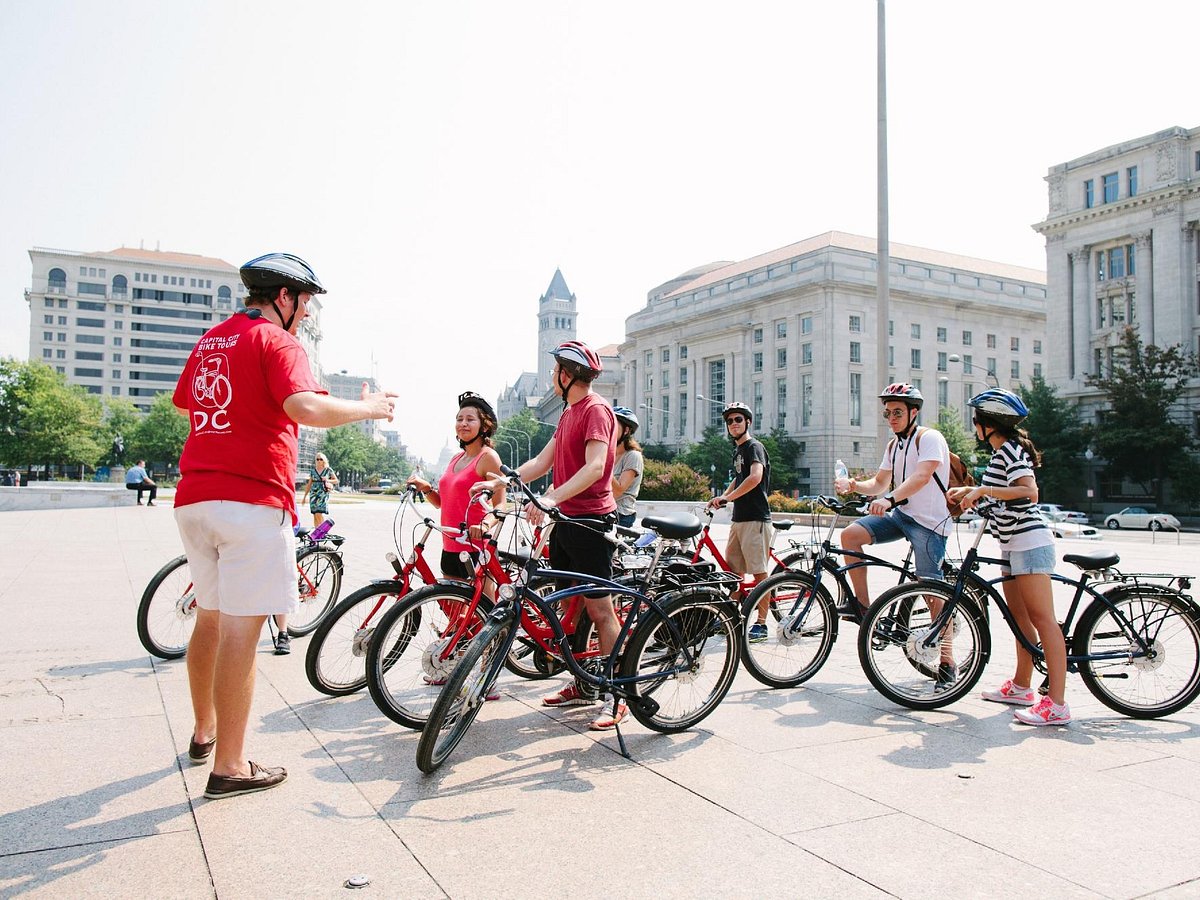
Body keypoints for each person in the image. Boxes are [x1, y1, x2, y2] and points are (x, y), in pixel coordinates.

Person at [172, 252, 396, 800]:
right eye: (307, 301)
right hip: (250, 501)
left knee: (210, 617)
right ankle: (229, 765)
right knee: (241, 634)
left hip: (195, 498)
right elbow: (304, 406)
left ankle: (204, 732)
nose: (309, 312)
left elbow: (187, 406)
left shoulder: (211, 341)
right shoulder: (278, 342)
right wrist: (371, 409)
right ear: (285, 298)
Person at [472, 340, 622, 730]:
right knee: (569, 609)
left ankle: (616, 694)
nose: (551, 376)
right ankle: (582, 684)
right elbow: (542, 461)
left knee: (600, 609)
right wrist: (501, 482)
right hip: (565, 521)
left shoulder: (596, 411)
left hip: (590, 523)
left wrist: (551, 497)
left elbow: (593, 468)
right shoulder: (569, 413)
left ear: (567, 374)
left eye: (555, 370)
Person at [948, 389, 1069, 726]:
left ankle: (1057, 703)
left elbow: (1028, 492)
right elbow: (1003, 502)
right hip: (1012, 543)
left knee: (1043, 620)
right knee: (1019, 619)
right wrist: (969, 494)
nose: (974, 427)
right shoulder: (1003, 453)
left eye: (976, 421)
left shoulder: (1011, 452)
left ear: (989, 423)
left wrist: (983, 490)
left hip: (1030, 542)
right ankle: (1021, 686)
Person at [836, 384, 956, 681]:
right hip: (902, 516)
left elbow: (922, 476)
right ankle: (863, 608)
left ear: (914, 412)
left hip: (930, 523)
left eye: (897, 412)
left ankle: (948, 660)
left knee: (931, 590)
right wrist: (853, 485)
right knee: (850, 536)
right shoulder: (894, 445)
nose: (891, 418)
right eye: (887, 413)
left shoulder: (929, 438)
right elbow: (879, 483)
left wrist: (889, 499)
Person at [407, 392, 506, 583]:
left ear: (484, 426)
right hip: (450, 545)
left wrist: (485, 525)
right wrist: (426, 488)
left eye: (470, 419)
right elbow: (445, 503)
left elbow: (500, 505)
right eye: (459, 419)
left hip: (476, 547)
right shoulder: (455, 459)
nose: (463, 423)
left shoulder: (488, 457)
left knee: (484, 610)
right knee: (453, 611)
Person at [706, 402, 772, 641]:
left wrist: (728, 498)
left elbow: (755, 477)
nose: (733, 424)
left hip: (755, 518)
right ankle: (729, 618)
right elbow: (739, 478)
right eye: (730, 421)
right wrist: (722, 497)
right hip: (739, 519)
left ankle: (762, 624)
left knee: (759, 574)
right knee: (733, 572)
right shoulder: (738, 451)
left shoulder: (754, 447)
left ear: (748, 422)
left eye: (738, 420)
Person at [611, 406, 644, 529]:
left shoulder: (632, 456)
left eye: (613, 426)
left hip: (621, 516)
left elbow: (618, 490)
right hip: (601, 511)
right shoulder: (606, 455)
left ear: (626, 430)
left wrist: (601, 465)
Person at [300, 453, 338, 527]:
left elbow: (336, 480)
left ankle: (322, 531)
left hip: (323, 493)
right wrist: (304, 497)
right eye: (317, 459)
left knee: (318, 513)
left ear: (324, 460)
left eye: (321, 459)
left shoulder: (328, 470)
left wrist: (327, 480)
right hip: (313, 494)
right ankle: (317, 532)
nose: (319, 461)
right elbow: (309, 484)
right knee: (315, 514)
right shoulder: (313, 471)